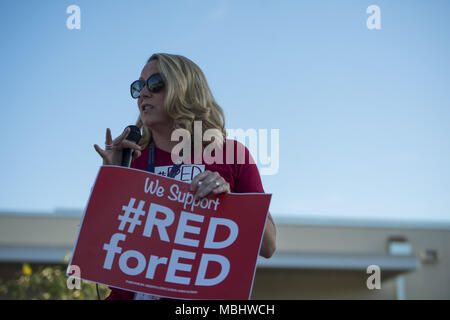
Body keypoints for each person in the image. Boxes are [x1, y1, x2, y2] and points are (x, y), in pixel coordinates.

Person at [93, 53, 276, 300]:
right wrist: (112, 179)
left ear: (186, 90)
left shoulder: (231, 154)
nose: (144, 94)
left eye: (155, 84)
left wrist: (231, 203)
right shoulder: (129, 158)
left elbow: (268, 246)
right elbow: (101, 249)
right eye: (138, 87)